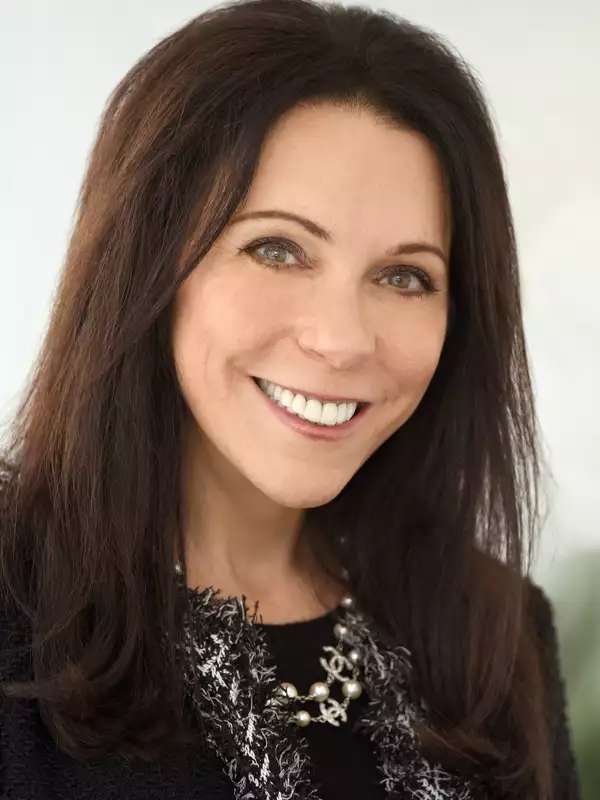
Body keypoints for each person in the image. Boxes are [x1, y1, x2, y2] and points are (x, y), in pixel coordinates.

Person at [0, 0, 581, 798]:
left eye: (405, 276)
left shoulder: (499, 634)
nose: (342, 340)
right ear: (146, 268)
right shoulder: (16, 610)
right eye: (277, 249)